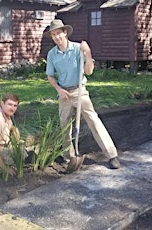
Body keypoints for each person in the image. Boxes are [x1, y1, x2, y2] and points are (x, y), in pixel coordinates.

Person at [44, 19, 121, 172]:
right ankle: (69, 156)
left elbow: (88, 71)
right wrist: (59, 90)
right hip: (64, 93)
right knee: (64, 125)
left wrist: (88, 52)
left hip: (80, 90)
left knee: (93, 120)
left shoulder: (78, 49)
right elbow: (50, 76)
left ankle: (112, 155)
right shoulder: (52, 54)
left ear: (65, 33)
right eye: (53, 35)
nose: (57, 37)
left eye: (59, 33)